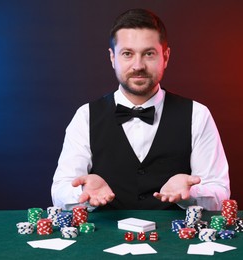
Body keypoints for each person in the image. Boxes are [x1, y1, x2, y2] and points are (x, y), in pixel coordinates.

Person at [51, 8, 230, 211]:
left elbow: (220, 193)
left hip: (175, 241)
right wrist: (83, 192)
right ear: (112, 58)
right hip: (104, 239)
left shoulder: (197, 115)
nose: (138, 65)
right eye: (127, 54)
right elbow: (60, 193)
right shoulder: (85, 116)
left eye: (149, 54)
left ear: (166, 56)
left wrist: (190, 194)